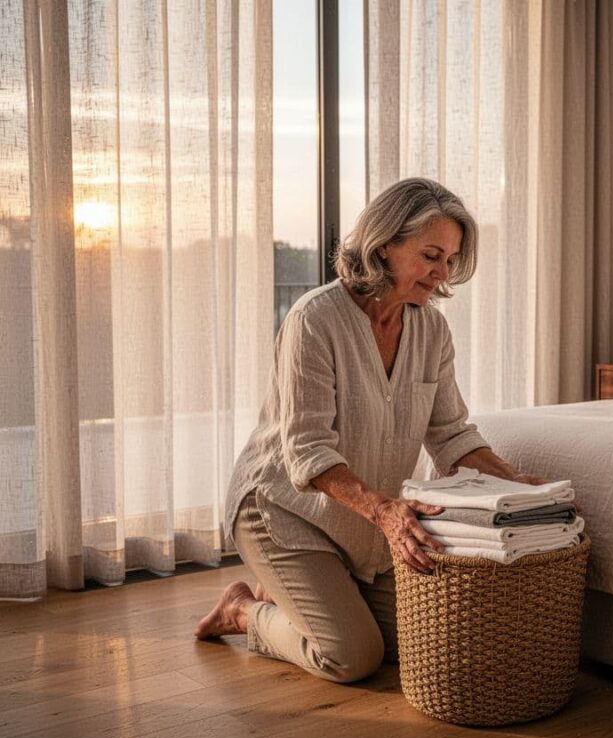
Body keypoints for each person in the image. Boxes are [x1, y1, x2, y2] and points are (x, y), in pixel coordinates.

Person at [194, 178, 545, 682]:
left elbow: (451, 435)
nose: (443, 273)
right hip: (283, 510)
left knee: (430, 640)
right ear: (384, 246)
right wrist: (385, 511)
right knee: (352, 656)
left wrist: (520, 484)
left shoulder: (432, 330)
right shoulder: (314, 319)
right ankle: (244, 610)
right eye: (431, 255)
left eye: (450, 259)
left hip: (360, 525)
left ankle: (305, 591)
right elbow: (308, 452)